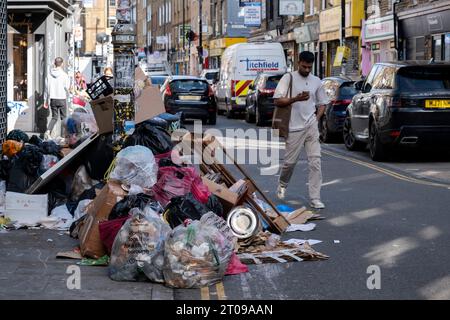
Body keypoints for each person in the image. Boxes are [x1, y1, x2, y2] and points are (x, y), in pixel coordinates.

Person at [273, 51, 329, 209]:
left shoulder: (316, 81)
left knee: (315, 163)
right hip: (293, 128)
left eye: (309, 67)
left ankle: (315, 197)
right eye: (304, 66)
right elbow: (277, 100)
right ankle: (282, 184)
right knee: (289, 163)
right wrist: (295, 98)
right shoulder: (288, 78)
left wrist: (315, 120)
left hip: (310, 126)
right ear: (299, 62)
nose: (306, 70)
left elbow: (323, 103)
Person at [44, 57, 70, 138]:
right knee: (64, 118)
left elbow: (46, 89)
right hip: (62, 98)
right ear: (62, 64)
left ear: (54, 64)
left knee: (54, 117)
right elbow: (67, 87)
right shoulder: (65, 75)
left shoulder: (49, 75)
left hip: (53, 99)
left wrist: (46, 101)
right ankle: (64, 136)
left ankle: (48, 132)